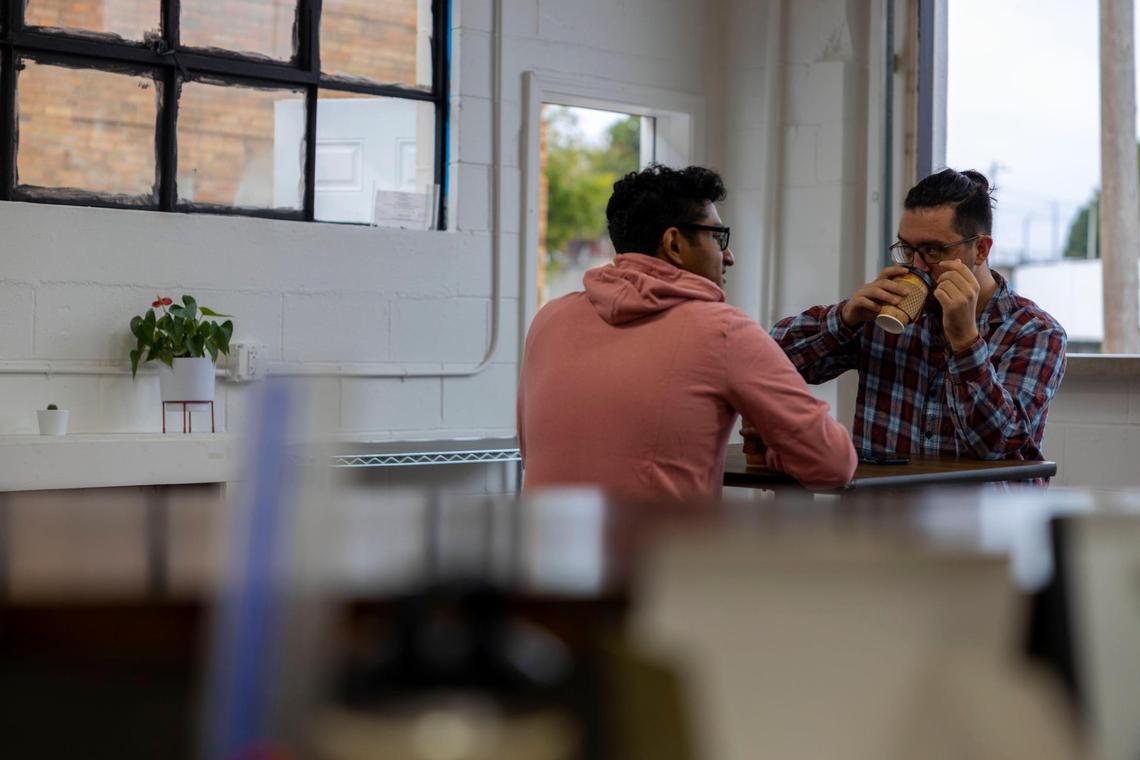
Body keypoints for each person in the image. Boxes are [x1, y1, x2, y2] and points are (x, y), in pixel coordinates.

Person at [516, 164, 857, 501]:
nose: (729, 256)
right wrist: (776, 451)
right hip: (662, 556)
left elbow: (530, 451)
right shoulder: (723, 331)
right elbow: (833, 463)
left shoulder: (549, 319)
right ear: (674, 244)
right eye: (717, 237)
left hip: (543, 550)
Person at [771, 168, 1066, 461]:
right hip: (886, 504)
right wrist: (845, 319)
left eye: (933, 251)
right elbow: (770, 363)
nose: (917, 266)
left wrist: (965, 343)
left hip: (978, 507)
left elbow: (998, 443)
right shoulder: (886, 314)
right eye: (907, 249)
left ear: (980, 249)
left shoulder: (1035, 332)